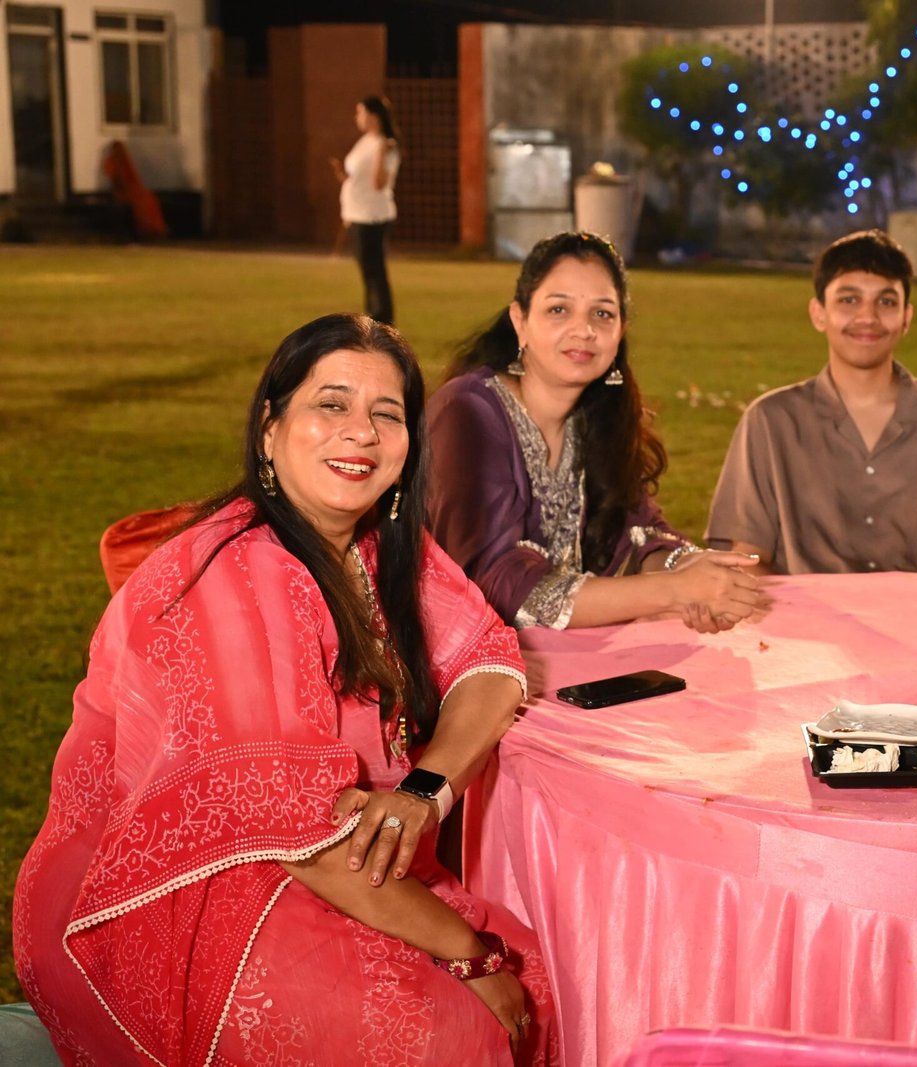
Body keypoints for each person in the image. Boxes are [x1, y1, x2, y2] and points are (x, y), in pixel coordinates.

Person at [14, 314, 556, 1065]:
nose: (360, 432)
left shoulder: (376, 545)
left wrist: (425, 790)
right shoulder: (235, 576)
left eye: (387, 413)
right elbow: (298, 831)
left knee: (533, 981)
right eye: (331, 404)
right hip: (184, 891)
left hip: (323, 858)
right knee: (451, 1027)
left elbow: (490, 662)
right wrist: (467, 953)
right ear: (270, 430)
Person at [427, 230, 765, 632]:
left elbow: (640, 531)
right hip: (445, 659)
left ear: (621, 329)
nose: (584, 329)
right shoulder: (469, 412)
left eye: (602, 314)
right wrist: (673, 590)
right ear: (520, 321)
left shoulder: (594, 416)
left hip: (554, 656)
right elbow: (496, 581)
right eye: (559, 309)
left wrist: (688, 566)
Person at [704, 229, 917, 575]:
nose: (868, 317)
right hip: (800, 610)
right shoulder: (770, 421)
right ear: (819, 313)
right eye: (849, 300)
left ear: (906, 318)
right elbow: (748, 557)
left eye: (886, 302)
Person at [332, 95, 400, 325]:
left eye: (360, 112)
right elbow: (357, 177)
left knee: (374, 270)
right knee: (367, 271)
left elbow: (379, 184)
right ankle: (372, 317)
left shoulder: (386, 145)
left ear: (374, 116)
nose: (357, 117)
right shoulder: (365, 141)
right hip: (356, 213)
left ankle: (382, 320)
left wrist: (381, 152)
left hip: (372, 216)